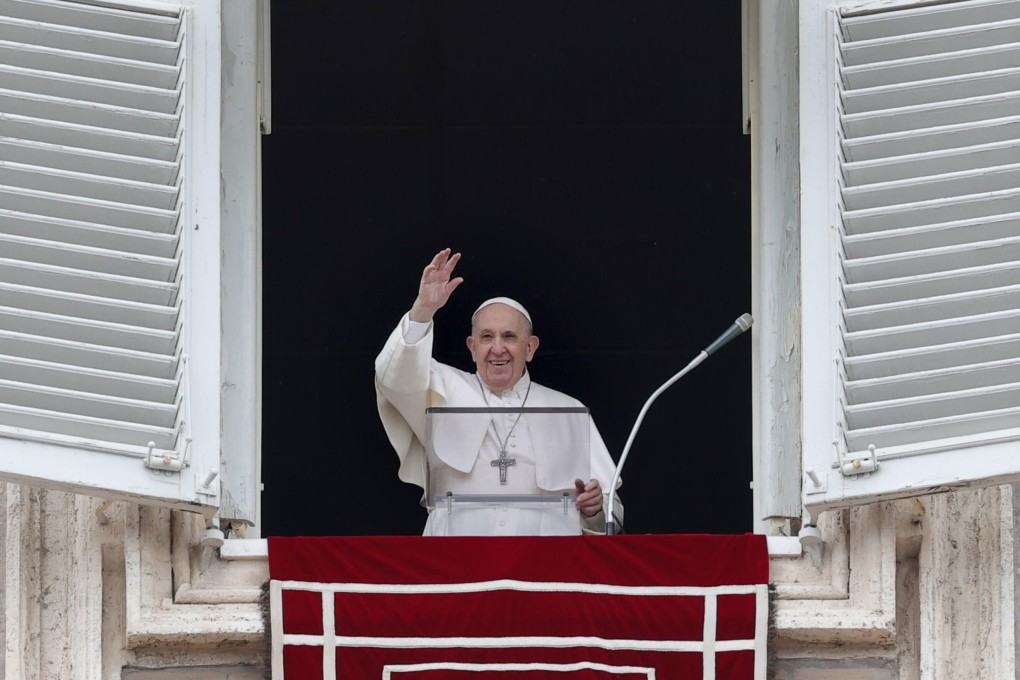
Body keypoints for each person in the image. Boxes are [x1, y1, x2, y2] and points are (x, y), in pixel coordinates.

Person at [374, 247, 622, 536]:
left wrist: (594, 509)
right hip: (457, 558)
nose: (497, 348)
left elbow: (608, 514)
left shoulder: (570, 410)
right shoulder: (440, 388)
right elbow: (395, 376)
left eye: (510, 337)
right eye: (487, 337)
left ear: (530, 348)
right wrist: (422, 311)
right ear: (472, 347)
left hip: (545, 565)